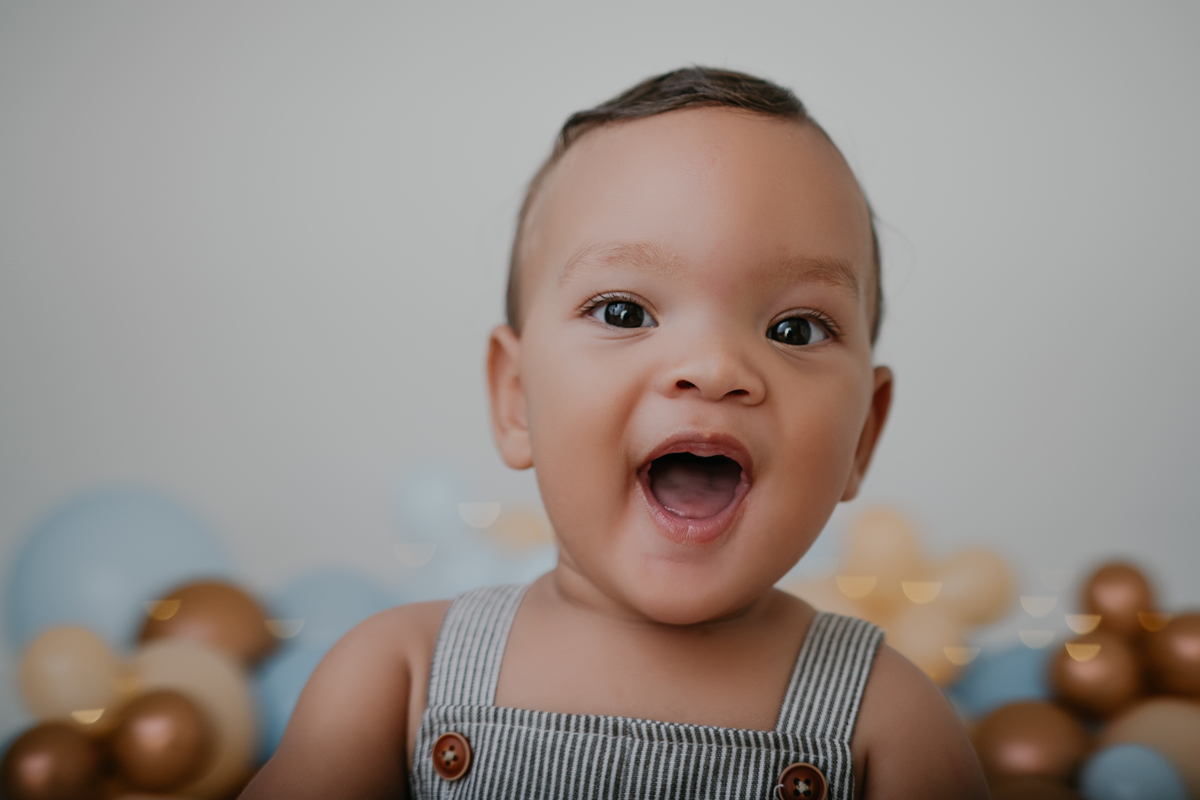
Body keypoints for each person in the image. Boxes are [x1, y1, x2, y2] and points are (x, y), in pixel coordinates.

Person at [241, 67, 988, 800]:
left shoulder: (886, 720)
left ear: (864, 435)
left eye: (794, 328)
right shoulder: (401, 677)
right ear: (516, 399)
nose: (713, 368)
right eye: (625, 313)